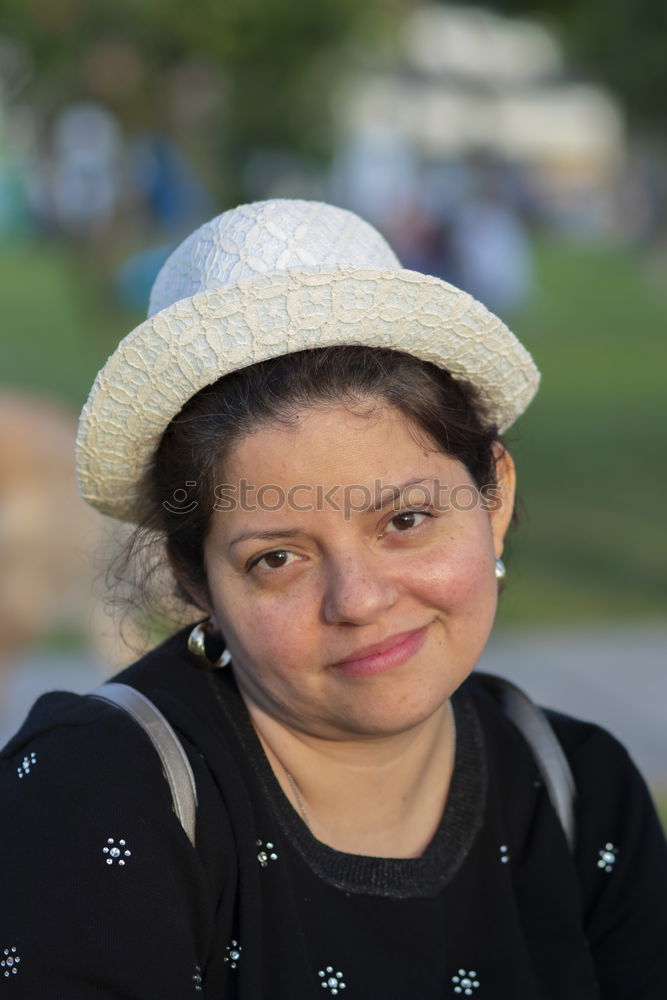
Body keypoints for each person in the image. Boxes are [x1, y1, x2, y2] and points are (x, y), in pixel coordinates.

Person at [1, 199, 665, 998]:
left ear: (492, 501)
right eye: (276, 558)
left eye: (406, 520)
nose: (357, 599)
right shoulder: (97, 796)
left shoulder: (577, 792)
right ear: (193, 578)